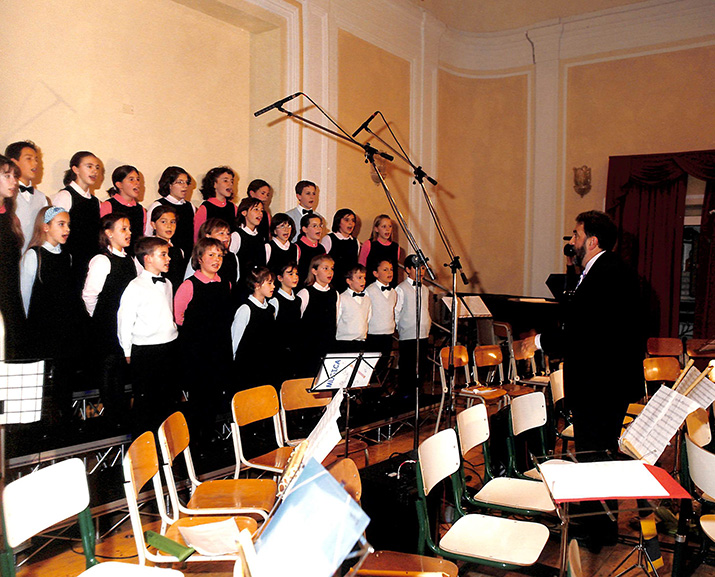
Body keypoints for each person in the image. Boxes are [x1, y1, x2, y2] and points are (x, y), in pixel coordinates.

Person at [522, 210, 644, 552]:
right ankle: (599, 527)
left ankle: (594, 532)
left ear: (591, 240)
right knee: (598, 457)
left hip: (600, 384)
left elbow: (583, 334)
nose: (571, 241)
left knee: (593, 457)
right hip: (607, 381)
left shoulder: (605, 274)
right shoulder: (609, 271)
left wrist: (540, 341)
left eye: (575, 235)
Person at [21, 207, 85, 421]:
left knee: (64, 378)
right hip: (42, 330)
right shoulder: (34, 255)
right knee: (42, 381)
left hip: (64, 330)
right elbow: (25, 295)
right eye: (61, 224)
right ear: (45, 227)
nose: (67, 229)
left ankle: (64, 418)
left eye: (68, 224)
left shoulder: (67, 256)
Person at [82, 214, 141, 426]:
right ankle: (111, 420)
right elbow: (89, 295)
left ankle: (121, 419)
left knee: (119, 372)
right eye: (123, 229)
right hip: (106, 326)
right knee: (108, 371)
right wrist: (100, 319)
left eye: (129, 228)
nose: (129, 233)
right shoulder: (102, 260)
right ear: (109, 233)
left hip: (125, 326)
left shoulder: (132, 261)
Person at [174, 237, 233, 446]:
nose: (216, 259)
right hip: (197, 353)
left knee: (214, 398)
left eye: (219, 255)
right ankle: (194, 443)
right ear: (199, 258)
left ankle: (208, 440)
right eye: (211, 255)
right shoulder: (189, 285)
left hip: (219, 350)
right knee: (198, 399)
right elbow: (178, 317)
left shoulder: (225, 284)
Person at [118, 237, 179, 435]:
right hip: (145, 351)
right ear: (147, 259)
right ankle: (142, 449)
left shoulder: (168, 283)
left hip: (168, 347)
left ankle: (166, 449)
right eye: (163, 254)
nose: (168, 258)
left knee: (168, 400)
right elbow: (124, 320)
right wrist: (127, 350)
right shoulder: (135, 287)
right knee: (145, 402)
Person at [53, 151, 102, 293]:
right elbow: (55, 232)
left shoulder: (95, 201)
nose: (94, 171)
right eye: (89, 166)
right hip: (70, 262)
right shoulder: (65, 195)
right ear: (75, 169)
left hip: (90, 262)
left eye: (97, 167)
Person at [231, 266, 276, 388]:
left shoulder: (270, 308)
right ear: (257, 285)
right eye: (269, 283)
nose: (273, 287)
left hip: (264, 366)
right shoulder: (246, 309)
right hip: (247, 367)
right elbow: (235, 340)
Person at [0, 156, 26, 359]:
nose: (14, 181)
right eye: (7, 176)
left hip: (10, 296)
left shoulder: (10, 216)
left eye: (14, 176)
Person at [395, 255, 432, 398]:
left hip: (423, 334)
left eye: (422, 268)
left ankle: (418, 395)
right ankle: (405, 397)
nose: (420, 271)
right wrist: (401, 329)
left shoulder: (425, 289)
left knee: (421, 367)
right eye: (416, 268)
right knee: (408, 368)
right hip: (408, 335)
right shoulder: (401, 289)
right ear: (408, 269)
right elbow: (397, 311)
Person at [297, 255, 338, 377]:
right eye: (325, 268)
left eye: (332, 268)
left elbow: (335, 320)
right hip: (308, 349)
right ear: (314, 271)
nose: (330, 272)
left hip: (327, 348)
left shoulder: (334, 294)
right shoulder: (305, 293)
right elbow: (298, 321)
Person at [5, 141, 49, 252]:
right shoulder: (5, 195)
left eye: (36, 159)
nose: (35, 164)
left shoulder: (41, 198)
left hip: (33, 258)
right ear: (14, 163)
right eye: (29, 159)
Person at [145, 166, 195, 258]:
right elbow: (148, 234)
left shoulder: (190, 206)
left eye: (187, 182)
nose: (185, 186)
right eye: (180, 182)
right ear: (169, 184)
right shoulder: (158, 205)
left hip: (187, 256)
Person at [100, 165, 146, 256]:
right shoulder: (108, 205)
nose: (137, 183)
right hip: (113, 255)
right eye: (131, 179)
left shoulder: (141, 210)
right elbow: (102, 235)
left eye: (138, 179)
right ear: (119, 184)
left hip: (134, 257)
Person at [269, 262, 302, 383]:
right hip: (279, 353)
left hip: (294, 351)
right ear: (280, 278)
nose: (295, 277)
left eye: (296, 274)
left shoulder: (298, 300)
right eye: (290, 274)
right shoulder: (275, 300)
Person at [365, 259, 397, 383]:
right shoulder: (370, 290)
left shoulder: (393, 292)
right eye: (385, 270)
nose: (389, 272)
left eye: (391, 269)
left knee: (384, 367)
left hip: (388, 334)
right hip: (373, 335)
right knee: (371, 368)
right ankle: (369, 397)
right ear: (375, 273)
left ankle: (379, 395)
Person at [193, 166, 237, 241]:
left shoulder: (233, 207)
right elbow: (197, 236)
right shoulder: (205, 208)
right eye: (225, 181)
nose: (230, 184)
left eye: (231, 181)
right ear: (214, 184)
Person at [322, 208, 360, 293]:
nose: (351, 223)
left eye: (353, 220)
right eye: (347, 220)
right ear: (338, 222)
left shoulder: (355, 242)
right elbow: (322, 262)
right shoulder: (329, 239)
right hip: (333, 283)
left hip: (349, 286)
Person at [335, 265, 371, 352]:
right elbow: (336, 319)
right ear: (349, 281)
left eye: (364, 278)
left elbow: (368, 319)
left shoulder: (367, 299)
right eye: (359, 278)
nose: (363, 281)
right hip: (344, 342)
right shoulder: (342, 298)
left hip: (361, 341)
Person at [358, 214, 401, 288]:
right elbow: (361, 266)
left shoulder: (395, 247)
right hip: (371, 286)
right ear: (376, 229)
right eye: (384, 226)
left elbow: (394, 270)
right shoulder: (369, 244)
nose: (387, 229)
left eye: (390, 226)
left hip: (390, 287)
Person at [149, 205, 185, 293]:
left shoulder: (179, 251)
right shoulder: (146, 249)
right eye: (163, 222)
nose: (169, 226)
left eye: (173, 222)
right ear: (153, 225)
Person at [234, 197, 267, 283]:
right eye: (256, 209)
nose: (260, 213)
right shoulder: (236, 236)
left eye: (261, 210)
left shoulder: (260, 237)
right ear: (244, 212)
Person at [296, 213, 326, 288]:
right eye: (315, 226)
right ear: (305, 229)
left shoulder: (321, 248)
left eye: (320, 225)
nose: (319, 229)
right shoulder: (297, 247)